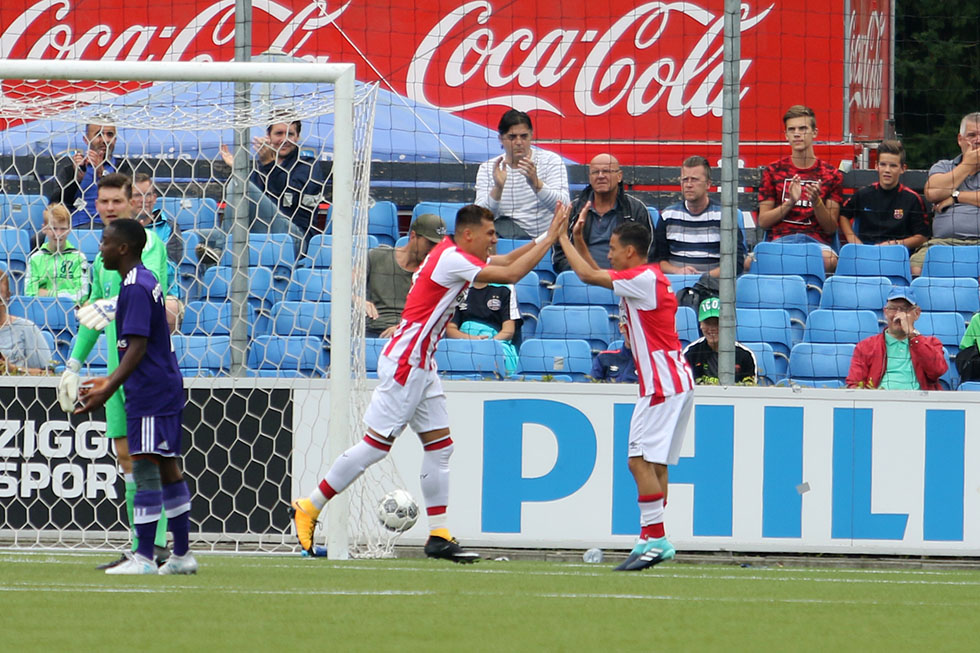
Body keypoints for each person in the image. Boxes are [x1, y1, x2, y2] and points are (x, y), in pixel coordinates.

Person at [290, 203, 569, 562]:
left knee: (440, 447)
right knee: (376, 447)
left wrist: (547, 236)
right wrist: (552, 238)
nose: (494, 241)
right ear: (468, 234)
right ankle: (309, 507)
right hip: (408, 360)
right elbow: (512, 273)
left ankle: (438, 535)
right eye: (490, 234)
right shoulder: (452, 258)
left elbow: (504, 263)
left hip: (423, 363)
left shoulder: (452, 254)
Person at [557, 213, 695, 571]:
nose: (610, 255)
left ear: (631, 252)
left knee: (638, 461)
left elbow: (588, 276)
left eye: (614, 249)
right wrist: (582, 243)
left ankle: (658, 539)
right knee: (655, 463)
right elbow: (600, 275)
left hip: (662, 383)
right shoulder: (645, 278)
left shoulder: (642, 278)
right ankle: (649, 538)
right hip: (674, 380)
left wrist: (562, 239)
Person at [56, 172, 171, 570]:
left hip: (144, 366)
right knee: (126, 457)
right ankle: (141, 544)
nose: (108, 209)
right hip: (114, 367)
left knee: (147, 456)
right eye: (102, 203)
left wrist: (115, 305)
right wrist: (73, 363)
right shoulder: (103, 253)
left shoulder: (148, 245)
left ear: (131, 202)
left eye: (116, 202)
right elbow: (91, 311)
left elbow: (150, 292)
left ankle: (155, 547)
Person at [75, 218, 195, 575]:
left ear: (123, 248)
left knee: (144, 467)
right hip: (162, 384)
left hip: (151, 390)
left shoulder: (135, 288)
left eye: (105, 242)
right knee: (169, 467)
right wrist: (109, 380)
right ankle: (183, 556)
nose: (101, 248)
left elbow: (138, 347)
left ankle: (143, 557)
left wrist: (108, 388)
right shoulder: (143, 281)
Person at [212, 117, 324, 255]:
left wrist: (269, 164)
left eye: (290, 134)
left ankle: (221, 250)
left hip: (295, 239)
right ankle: (218, 253)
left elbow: (290, 198)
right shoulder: (259, 168)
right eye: (279, 133)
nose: (284, 139)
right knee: (200, 236)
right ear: (268, 136)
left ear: (297, 137)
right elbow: (246, 203)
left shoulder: (309, 165)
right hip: (260, 235)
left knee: (238, 185)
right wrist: (240, 170)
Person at [757, 105, 844, 273]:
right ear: (786, 135)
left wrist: (816, 202)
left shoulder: (831, 175)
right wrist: (790, 202)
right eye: (792, 129)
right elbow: (763, 221)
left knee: (829, 261)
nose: (797, 133)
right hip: (780, 242)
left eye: (803, 128)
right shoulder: (773, 171)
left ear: (814, 133)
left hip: (816, 244)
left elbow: (831, 227)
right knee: (751, 262)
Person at [475, 109, 570, 238]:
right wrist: (498, 189)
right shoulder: (488, 168)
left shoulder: (551, 161)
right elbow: (480, 218)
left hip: (545, 240)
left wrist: (536, 184)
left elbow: (563, 207)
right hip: (504, 239)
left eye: (524, 136)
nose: (519, 142)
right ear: (501, 139)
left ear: (531, 135)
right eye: (512, 137)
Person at [552, 153, 652, 273]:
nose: (600, 176)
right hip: (580, 279)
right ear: (589, 177)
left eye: (606, 171)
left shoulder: (636, 210)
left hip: (624, 280)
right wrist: (583, 273)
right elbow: (559, 255)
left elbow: (648, 252)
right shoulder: (573, 210)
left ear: (619, 176)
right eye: (595, 172)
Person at [653, 156, 746, 276]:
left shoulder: (724, 217)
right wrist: (678, 271)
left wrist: (703, 278)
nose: (689, 185)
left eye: (695, 180)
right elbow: (657, 261)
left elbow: (736, 263)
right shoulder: (667, 216)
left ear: (708, 184)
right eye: (685, 180)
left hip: (714, 286)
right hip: (676, 284)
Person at [914, 112, 980, 276]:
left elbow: (945, 194)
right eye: (971, 135)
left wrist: (955, 197)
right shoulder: (944, 166)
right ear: (960, 139)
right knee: (915, 268)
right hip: (942, 244)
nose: (978, 140)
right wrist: (968, 164)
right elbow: (932, 192)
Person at [845, 287, 947, 390]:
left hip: (919, 402)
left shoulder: (931, 343)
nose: (898, 315)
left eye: (904, 309)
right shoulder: (866, 346)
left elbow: (937, 371)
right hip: (880, 402)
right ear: (885, 312)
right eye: (893, 308)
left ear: (917, 313)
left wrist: (913, 336)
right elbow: (854, 384)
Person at [365, 213, 446, 338]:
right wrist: (359, 300)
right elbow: (347, 286)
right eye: (430, 243)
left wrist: (403, 329)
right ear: (413, 236)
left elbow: (435, 314)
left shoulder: (435, 271)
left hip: (412, 335)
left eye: (438, 246)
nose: (433, 250)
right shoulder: (376, 256)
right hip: (372, 332)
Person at [839, 140, 930, 249]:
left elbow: (922, 237)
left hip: (897, 254)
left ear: (902, 169)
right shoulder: (864, 194)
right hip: (866, 252)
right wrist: (853, 240)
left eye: (893, 166)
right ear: (876, 166)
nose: (887, 170)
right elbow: (843, 215)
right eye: (883, 164)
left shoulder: (912, 199)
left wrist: (894, 244)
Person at [44, 121, 130, 229]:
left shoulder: (125, 167)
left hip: (113, 227)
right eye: (99, 135)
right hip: (76, 227)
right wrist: (76, 180)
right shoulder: (70, 169)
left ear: (115, 140)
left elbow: (129, 198)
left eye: (110, 135)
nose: (105, 140)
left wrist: (102, 174)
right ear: (86, 140)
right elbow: (56, 203)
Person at [132, 173, 185, 332]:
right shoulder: (120, 228)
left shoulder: (170, 227)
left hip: (164, 292)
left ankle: (166, 353)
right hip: (126, 290)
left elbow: (171, 267)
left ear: (154, 198)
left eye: (147, 195)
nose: (143, 200)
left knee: (170, 307)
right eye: (137, 195)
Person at [446, 280, 521, 376]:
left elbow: (508, 331)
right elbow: (450, 329)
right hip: (464, 343)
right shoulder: (459, 288)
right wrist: (474, 340)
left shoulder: (505, 289)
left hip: (495, 344)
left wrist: (487, 345)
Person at [24, 203, 90, 303]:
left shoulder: (78, 258)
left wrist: (47, 293)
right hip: (42, 311)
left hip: (70, 312)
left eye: (63, 229)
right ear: (44, 228)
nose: (58, 234)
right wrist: (66, 294)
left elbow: (82, 294)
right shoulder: (35, 259)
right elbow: (30, 293)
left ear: (69, 229)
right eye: (53, 228)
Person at [682, 297, 757, 385]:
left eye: (717, 322)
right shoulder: (691, 353)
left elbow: (749, 389)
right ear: (700, 325)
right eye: (707, 322)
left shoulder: (744, 355)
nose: (712, 328)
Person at [0, 267, 54, 374]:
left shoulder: (26, 329)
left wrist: (11, 369)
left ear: (8, 296)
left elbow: (48, 374)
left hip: (14, 389)